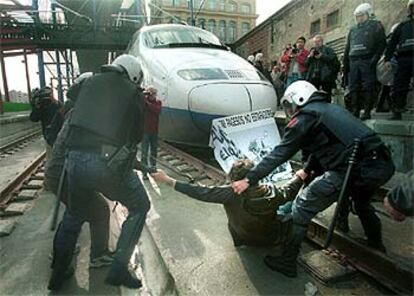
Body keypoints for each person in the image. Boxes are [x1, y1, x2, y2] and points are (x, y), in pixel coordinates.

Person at [232, 80, 395, 277]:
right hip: (380, 165)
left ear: (299, 99)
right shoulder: (327, 110)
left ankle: (287, 261)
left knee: (301, 206)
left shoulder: (305, 117)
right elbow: (326, 147)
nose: (290, 110)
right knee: (361, 204)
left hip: (354, 169)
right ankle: (376, 247)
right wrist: (306, 170)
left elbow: (279, 153)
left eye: (289, 105)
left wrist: (249, 179)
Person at [65, 54, 149, 289]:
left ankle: (58, 271)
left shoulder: (89, 82)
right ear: (133, 74)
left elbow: (70, 97)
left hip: (73, 159)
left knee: (73, 213)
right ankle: (119, 269)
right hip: (102, 162)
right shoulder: (132, 92)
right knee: (140, 206)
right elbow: (135, 137)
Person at [46, 73, 114, 291]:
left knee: (72, 217)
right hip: (67, 173)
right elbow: (99, 149)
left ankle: (59, 262)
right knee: (97, 210)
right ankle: (98, 255)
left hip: (59, 172)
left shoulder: (77, 110)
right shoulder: (91, 113)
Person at [151, 159, 304, 247]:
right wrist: (300, 175)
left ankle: (240, 244)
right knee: (290, 205)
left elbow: (199, 192)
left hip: (244, 235)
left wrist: (168, 180)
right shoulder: (273, 191)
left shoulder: (229, 194)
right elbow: (290, 189)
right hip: (269, 239)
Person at [343, 3, 386, 120]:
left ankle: (367, 111)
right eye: (357, 16)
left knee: (368, 86)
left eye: (361, 15)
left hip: (367, 59)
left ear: (368, 14)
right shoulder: (353, 30)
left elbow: (382, 43)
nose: (359, 18)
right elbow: (348, 47)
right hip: (353, 61)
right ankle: (355, 110)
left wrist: (375, 58)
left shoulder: (376, 25)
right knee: (353, 86)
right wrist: (345, 64)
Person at [384, 0, 414, 120]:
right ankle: (397, 111)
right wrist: (387, 59)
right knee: (399, 86)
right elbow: (392, 44)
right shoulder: (402, 26)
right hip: (404, 59)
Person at [141, 86, 162, 179]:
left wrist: (147, 102)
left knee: (154, 152)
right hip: (144, 131)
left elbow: (157, 110)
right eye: (151, 93)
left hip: (154, 131)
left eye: (154, 93)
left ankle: (153, 170)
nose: (153, 95)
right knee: (144, 153)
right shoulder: (143, 103)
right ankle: (144, 172)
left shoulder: (158, 103)